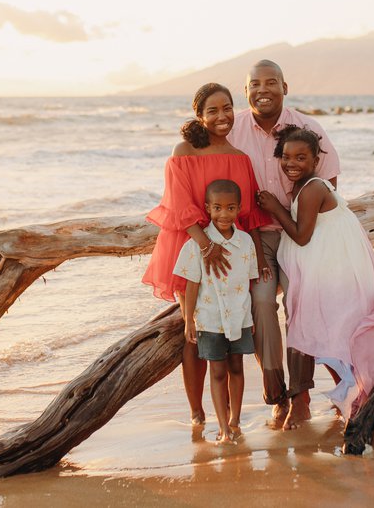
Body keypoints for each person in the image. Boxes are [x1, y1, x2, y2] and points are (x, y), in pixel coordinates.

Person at [142, 83, 270, 426]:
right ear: (199, 115)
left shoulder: (240, 158)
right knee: (195, 327)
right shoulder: (183, 150)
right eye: (212, 110)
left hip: (229, 252)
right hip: (191, 245)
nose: (222, 116)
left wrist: (258, 258)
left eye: (227, 108)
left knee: (228, 325)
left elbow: (247, 217)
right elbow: (180, 205)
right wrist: (205, 245)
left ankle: (230, 416)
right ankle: (197, 411)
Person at [227, 59, 340, 429]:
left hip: (299, 236)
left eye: (271, 82)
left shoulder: (307, 127)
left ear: (284, 87)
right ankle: (276, 394)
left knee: (300, 308)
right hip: (253, 240)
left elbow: (328, 184)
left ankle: (301, 397)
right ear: (245, 91)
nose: (263, 90)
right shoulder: (232, 130)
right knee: (260, 304)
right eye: (255, 84)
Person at [257, 126, 374, 421]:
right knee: (332, 335)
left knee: (335, 334)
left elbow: (302, 236)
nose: (292, 163)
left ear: (316, 160)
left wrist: (276, 209)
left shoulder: (314, 188)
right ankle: (353, 392)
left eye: (301, 157)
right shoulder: (307, 186)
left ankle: (359, 397)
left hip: (335, 271)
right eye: (286, 157)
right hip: (334, 266)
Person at [176, 179, 258, 444]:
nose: (225, 214)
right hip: (210, 319)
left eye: (231, 208)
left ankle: (235, 420)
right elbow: (191, 285)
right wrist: (189, 320)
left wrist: (252, 316)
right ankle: (222, 427)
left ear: (239, 209)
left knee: (237, 367)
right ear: (208, 208)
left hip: (240, 316)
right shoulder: (198, 245)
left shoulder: (245, 242)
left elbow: (250, 282)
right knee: (217, 371)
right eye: (218, 208)